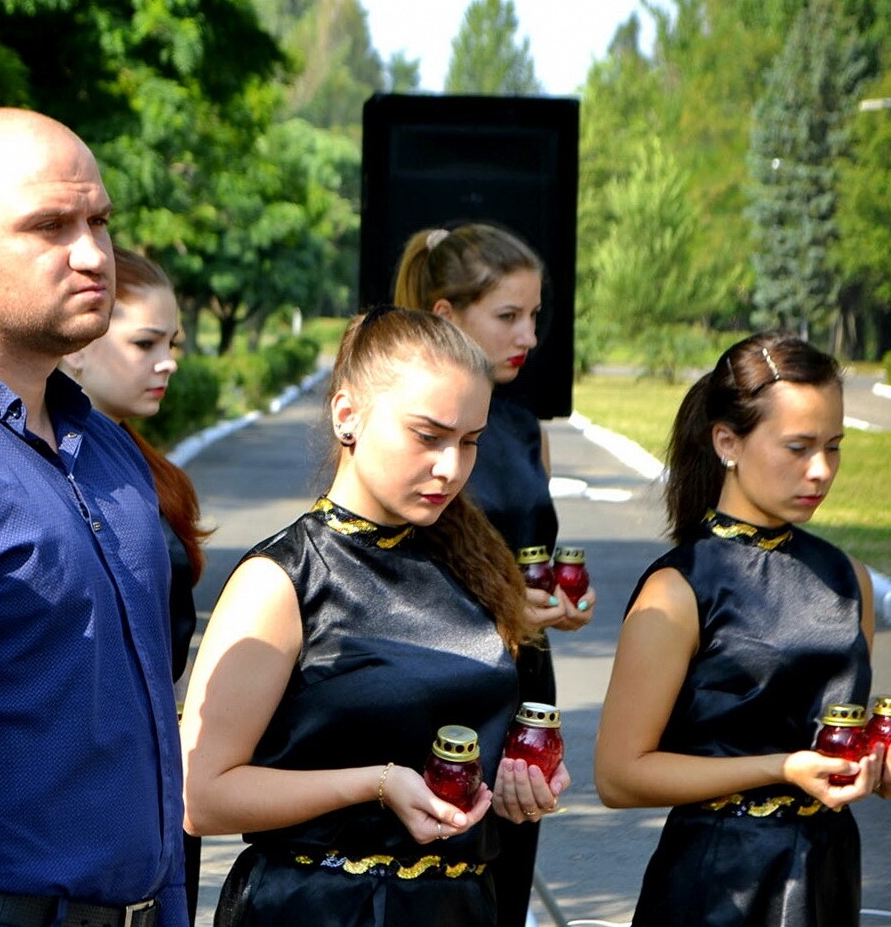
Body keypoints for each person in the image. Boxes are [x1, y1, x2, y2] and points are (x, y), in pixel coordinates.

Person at [0, 109, 185, 926]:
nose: (94, 255)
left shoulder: (109, 447)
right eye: (50, 226)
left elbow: (144, 727)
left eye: (99, 222)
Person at [180, 307, 569, 926]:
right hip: (320, 910)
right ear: (347, 416)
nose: (451, 467)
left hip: (460, 907)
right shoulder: (282, 579)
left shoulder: (472, 561)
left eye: (470, 441)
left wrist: (517, 784)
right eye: (427, 435)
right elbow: (202, 796)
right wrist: (377, 784)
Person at [595, 331, 889, 926]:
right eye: (798, 447)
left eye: (834, 447)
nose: (821, 470)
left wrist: (877, 765)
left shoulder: (846, 577)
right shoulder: (678, 590)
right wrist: (781, 768)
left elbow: (845, 736)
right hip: (718, 884)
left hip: (828, 871)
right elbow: (619, 775)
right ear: (727, 441)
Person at [393, 222, 595, 924]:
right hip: (441, 682)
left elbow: (531, 546)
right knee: (440, 882)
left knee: (507, 882)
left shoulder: (521, 426)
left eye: (534, 315)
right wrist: (509, 604)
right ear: (447, 315)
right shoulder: (406, 431)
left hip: (526, 679)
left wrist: (566, 602)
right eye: (507, 315)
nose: (529, 335)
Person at [62, 245, 212, 922]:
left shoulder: (135, 460)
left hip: (160, 773)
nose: (169, 360)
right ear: (79, 346)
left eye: (172, 342)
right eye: (146, 342)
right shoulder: (52, 466)